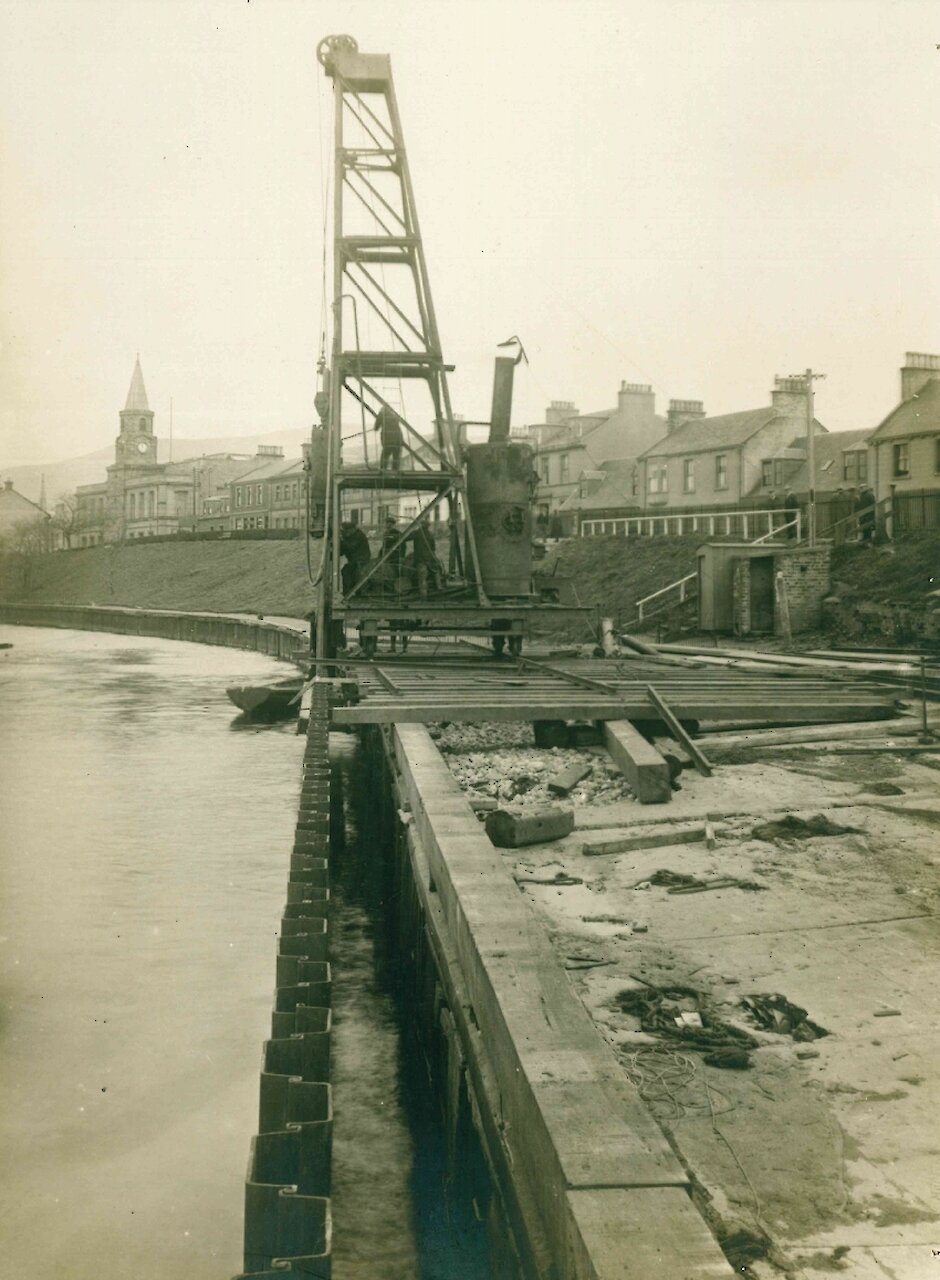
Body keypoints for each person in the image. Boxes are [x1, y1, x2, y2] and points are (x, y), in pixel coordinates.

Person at [411, 521, 443, 599]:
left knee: (422, 579)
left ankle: (423, 597)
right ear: (428, 526)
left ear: (421, 525)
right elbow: (433, 548)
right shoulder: (430, 534)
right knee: (436, 572)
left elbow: (404, 538)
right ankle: (439, 587)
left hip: (420, 559)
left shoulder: (416, 533)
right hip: (430, 559)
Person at [339, 521, 371, 595]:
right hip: (355, 560)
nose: (346, 533)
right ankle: (349, 592)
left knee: (347, 571)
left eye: (347, 530)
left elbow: (349, 547)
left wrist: (341, 540)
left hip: (361, 560)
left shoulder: (358, 536)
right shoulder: (352, 536)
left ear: (352, 529)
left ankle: (349, 592)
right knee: (347, 571)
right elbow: (343, 550)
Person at [374, 405, 403, 471]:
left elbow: (376, 427)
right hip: (398, 440)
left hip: (388, 440)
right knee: (396, 458)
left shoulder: (382, 414)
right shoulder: (394, 415)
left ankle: (383, 470)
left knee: (384, 457)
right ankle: (395, 472)